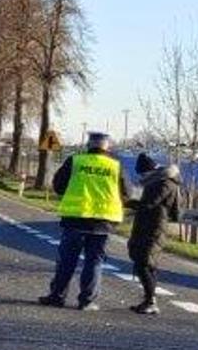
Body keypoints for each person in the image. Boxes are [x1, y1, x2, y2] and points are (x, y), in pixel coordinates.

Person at [38, 131, 129, 311]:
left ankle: (57, 296)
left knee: (66, 261)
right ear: (107, 147)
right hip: (103, 222)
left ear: (88, 145)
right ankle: (87, 301)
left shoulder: (75, 161)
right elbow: (127, 193)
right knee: (94, 262)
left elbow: (58, 186)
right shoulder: (115, 166)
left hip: (75, 219)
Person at [125, 153, 181, 315]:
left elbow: (149, 204)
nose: (142, 177)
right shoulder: (158, 181)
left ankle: (151, 301)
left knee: (144, 263)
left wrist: (127, 202)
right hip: (147, 226)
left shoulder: (163, 183)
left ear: (150, 171)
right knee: (146, 263)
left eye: (143, 174)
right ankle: (148, 300)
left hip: (154, 228)